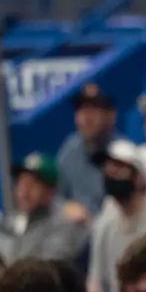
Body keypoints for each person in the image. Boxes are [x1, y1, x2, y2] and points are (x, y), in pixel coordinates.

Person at [89, 139, 146, 292]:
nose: (111, 172)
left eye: (120, 167)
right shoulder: (105, 219)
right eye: (108, 166)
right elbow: (95, 283)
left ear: (139, 177)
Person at [8, 151, 90, 265]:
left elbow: (48, 267)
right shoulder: (11, 221)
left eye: (32, 184)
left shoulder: (65, 223)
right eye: (21, 182)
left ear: (50, 191)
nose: (24, 191)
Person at [57, 83, 122, 217]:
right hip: (79, 231)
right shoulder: (70, 149)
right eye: (82, 110)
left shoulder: (123, 152)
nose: (86, 117)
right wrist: (66, 207)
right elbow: (55, 198)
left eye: (94, 109)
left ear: (111, 116)